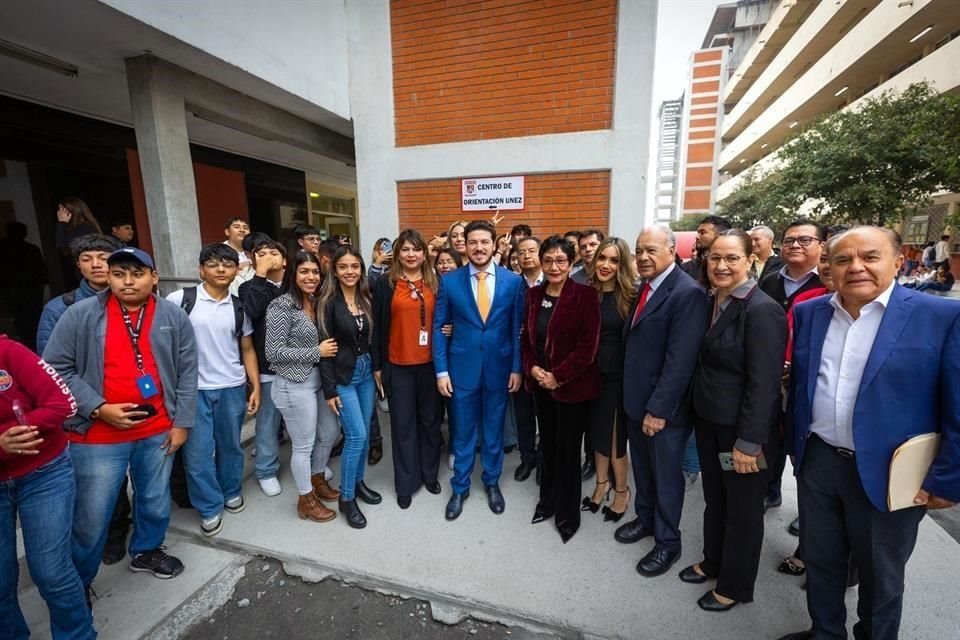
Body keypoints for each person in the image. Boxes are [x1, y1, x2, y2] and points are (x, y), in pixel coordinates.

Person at [778, 227, 960, 640]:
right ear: (829, 267)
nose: (856, 267)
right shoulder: (811, 313)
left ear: (897, 262)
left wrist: (948, 479)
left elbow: (957, 406)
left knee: (881, 576)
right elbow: (805, 385)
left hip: (892, 471)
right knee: (822, 561)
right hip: (819, 460)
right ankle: (825, 632)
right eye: (843, 259)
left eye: (870, 257)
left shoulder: (941, 318)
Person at [43, 246, 198, 590]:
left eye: (137, 273)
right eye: (119, 273)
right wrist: (97, 407)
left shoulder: (173, 316)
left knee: (155, 500)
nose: (128, 281)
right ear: (109, 277)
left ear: (153, 277)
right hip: (97, 435)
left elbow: (188, 372)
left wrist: (182, 422)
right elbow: (54, 368)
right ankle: (79, 581)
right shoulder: (80, 315)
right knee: (91, 515)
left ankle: (146, 550)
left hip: (157, 428)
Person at [679, 229, 786, 612]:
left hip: (741, 432)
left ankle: (735, 584)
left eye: (731, 259)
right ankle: (713, 561)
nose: (721, 266)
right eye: (714, 258)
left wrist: (749, 442)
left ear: (749, 261)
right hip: (709, 421)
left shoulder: (761, 310)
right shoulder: (712, 300)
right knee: (716, 500)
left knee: (742, 510)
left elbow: (764, 384)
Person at [616, 228, 708, 578]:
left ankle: (668, 542)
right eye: (639, 250)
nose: (642, 257)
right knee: (644, 470)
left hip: (661, 411)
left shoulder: (687, 294)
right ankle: (646, 519)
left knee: (667, 478)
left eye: (651, 250)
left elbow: (680, 361)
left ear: (672, 250)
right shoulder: (646, 287)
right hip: (635, 402)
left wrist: (658, 410)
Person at [0, 335, 97, 639]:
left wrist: (17, 431)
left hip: (44, 473)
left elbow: (62, 403)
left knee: (51, 571)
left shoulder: (8, 351)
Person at [166, 243, 261, 536]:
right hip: (193, 391)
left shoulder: (238, 307)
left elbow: (246, 349)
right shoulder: (180, 299)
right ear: (201, 269)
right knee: (197, 452)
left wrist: (255, 386)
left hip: (231, 386)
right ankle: (209, 506)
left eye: (228, 265)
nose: (221, 269)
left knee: (230, 446)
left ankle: (231, 490)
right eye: (214, 264)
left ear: (236, 270)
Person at [434, 220, 525, 521]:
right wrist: (442, 371)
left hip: (499, 369)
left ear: (494, 243)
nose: (478, 247)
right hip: (462, 370)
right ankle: (460, 487)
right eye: (473, 242)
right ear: (466, 245)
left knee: (493, 430)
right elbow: (438, 328)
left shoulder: (513, 281)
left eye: (484, 241)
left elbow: (515, 330)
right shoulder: (450, 282)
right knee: (463, 431)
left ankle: (491, 481)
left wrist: (516, 368)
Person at [520, 236, 600, 543]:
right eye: (549, 260)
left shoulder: (584, 295)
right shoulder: (533, 296)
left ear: (571, 263)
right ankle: (547, 502)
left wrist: (558, 375)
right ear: (541, 262)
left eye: (561, 261)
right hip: (541, 386)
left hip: (572, 389)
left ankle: (568, 515)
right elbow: (527, 341)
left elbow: (586, 348)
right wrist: (533, 369)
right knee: (549, 448)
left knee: (568, 452)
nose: (554, 266)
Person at [265, 251, 340, 523]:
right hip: (293, 384)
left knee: (330, 432)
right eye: (304, 272)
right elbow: (273, 352)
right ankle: (305, 498)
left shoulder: (316, 301)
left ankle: (317, 477)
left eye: (315, 272)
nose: (311, 277)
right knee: (303, 445)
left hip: (318, 382)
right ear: (293, 275)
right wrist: (316, 351)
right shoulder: (281, 306)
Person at [371, 230, 443, 509]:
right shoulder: (385, 284)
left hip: (430, 365)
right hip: (397, 365)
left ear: (425, 253)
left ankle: (430, 474)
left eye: (416, 249)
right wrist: (377, 365)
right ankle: (405, 483)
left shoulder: (436, 282)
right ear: (397, 253)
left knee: (430, 423)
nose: (411, 254)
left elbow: (445, 318)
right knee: (402, 427)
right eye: (405, 249)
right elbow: (377, 326)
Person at [760, 219, 824, 511]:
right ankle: (770, 489)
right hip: (768, 376)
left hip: (809, 378)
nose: (795, 245)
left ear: (821, 246)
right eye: (789, 240)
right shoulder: (771, 279)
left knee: (805, 447)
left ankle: (811, 513)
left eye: (805, 240)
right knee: (770, 436)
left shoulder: (828, 281)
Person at [318, 246, 382, 528]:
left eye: (355, 266)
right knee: (355, 436)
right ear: (335, 270)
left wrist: (378, 369)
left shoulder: (366, 297)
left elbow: (374, 339)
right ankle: (346, 498)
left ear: (361, 269)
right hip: (343, 376)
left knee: (366, 432)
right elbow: (326, 350)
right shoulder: (328, 302)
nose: (349, 271)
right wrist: (330, 390)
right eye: (343, 266)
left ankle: (358, 483)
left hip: (367, 372)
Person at [238, 237, 288, 497]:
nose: (269, 257)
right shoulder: (250, 287)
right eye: (262, 253)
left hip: (300, 366)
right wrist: (259, 274)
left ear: (285, 259)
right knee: (267, 423)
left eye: (274, 252)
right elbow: (253, 311)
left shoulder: (297, 284)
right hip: (269, 368)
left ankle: (312, 464)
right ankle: (266, 470)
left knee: (304, 420)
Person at [512, 236, 543, 482]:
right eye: (521, 252)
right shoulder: (512, 285)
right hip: (520, 361)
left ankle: (545, 461)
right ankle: (527, 459)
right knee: (523, 415)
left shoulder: (555, 282)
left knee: (547, 417)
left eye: (531, 251)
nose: (527, 256)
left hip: (547, 363)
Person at [0, 222, 48, 351]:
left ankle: (29, 340)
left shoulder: (29, 249)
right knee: (27, 315)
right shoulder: (29, 249)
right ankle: (30, 340)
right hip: (21, 287)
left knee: (24, 315)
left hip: (23, 287)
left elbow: (41, 269)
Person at [680, 215, 730, 286]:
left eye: (702, 233)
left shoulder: (734, 268)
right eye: (698, 233)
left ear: (719, 235)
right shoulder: (685, 269)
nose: (697, 237)